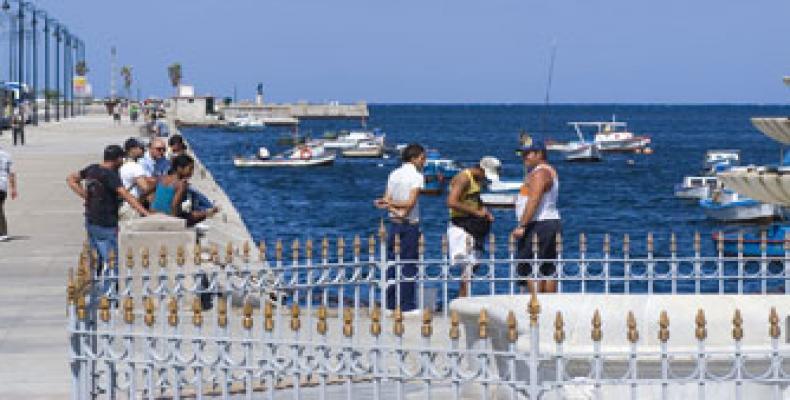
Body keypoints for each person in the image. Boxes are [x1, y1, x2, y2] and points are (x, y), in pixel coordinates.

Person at [67, 145, 151, 293]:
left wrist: (85, 196)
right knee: (113, 260)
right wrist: (145, 213)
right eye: (121, 158)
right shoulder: (110, 175)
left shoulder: (92, 169)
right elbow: (126, 195)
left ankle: (90, 289)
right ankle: (108, 293)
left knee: (94, 257)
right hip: (106, 222)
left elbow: (71, 179)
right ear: (118, 159)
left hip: (91, 220)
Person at [374, 143, 426, 313]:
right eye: (422, 158)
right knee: (409, 263)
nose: (423, 162)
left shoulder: (393, 174)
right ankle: (406, 305)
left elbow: (386, 199)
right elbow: (411, 202)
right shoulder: (417, 177)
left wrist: (392, 207)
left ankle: (389, 303)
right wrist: (398, 208)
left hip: (394, 222)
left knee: (391, 263)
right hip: (410, 224)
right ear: (414, 158)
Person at [511, 140, 561, 293]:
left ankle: (536, 306)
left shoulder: (540, 173)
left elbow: (534, 199)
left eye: (528, 154)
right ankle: (548, 308)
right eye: (523, 154)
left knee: (530, 269)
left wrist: (522, 225)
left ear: (539, 154)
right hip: (547, 222)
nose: (524, 157)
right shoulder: (545, 171)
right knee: (546, 268)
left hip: (539, 223)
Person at [446, 157, 497, 297]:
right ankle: (462, 299)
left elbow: (475, 198)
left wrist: (484, 211)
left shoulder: (477, 180)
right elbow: (451, 201)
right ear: (480, 169)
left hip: (474, 223)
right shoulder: (464, 178)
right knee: (468, 265)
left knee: (473, 266)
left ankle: (463, 297)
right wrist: (476, 212)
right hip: (461, 224)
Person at [150, 154, 218, 226]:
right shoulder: (181, 185)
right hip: (168, 217)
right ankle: (208, 212)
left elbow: (144, 194)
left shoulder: (161, 178)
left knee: (189, 211)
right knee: (197, 215)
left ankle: (208, 211)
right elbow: (174, 205)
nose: (191, 172)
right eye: (190, 169)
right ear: (179, 168)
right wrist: (176, 223)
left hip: (154, 213)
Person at [118, 137, 154, 220]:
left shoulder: (122, 164)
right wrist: (158, 183)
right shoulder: (135, 167)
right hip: (132, 207)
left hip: (122, 205)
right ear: (132, 149)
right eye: (141, 147)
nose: (144, 150)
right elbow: (145, 188)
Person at [0, 144, 17, 241]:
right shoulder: (6, 155)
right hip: (3, 186)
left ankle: (3, 233)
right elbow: (11, 174)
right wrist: (13, 189)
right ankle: (3, 232)